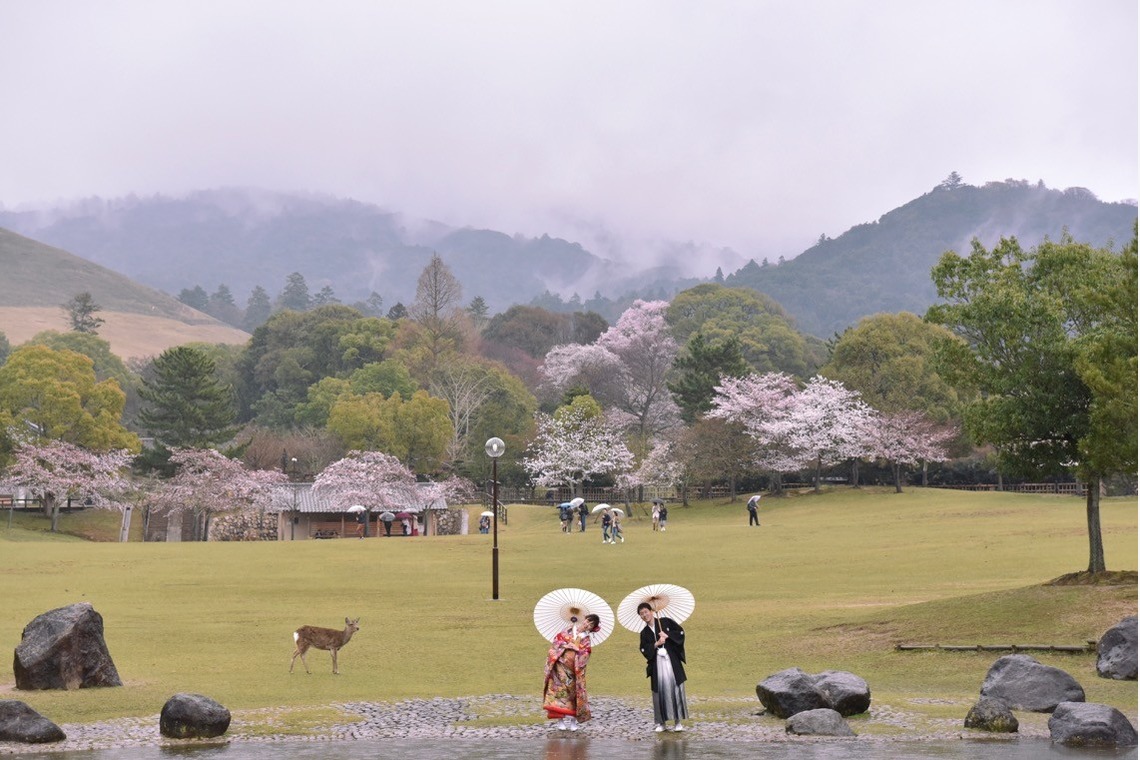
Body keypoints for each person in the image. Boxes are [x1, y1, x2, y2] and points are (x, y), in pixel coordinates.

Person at [543, 613, 602, 731]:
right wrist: (566, 645)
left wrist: (578, 650)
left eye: (591, 624)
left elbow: (586, 653)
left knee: (574, 694)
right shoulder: (569, 629)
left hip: (574, 669)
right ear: (584, 620)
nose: (587, 625)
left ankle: (573, 721)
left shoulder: (586, 638)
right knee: (558, 693)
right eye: (587, 621)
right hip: (560, 666)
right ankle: (560, 720)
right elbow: (556, 642)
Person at [636, 602, 688, 733]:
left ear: (651, 611)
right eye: (641, 614)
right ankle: (661, 722)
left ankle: (677, 721)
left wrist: (668, 636)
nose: (644, 615)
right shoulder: (644, 632)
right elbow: (644, 649)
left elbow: (680, 633)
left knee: (675, 689)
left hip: (671, 662)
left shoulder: (665, 622)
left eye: (646, 612)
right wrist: (656, 644)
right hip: (657, 665)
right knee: (658, 692)